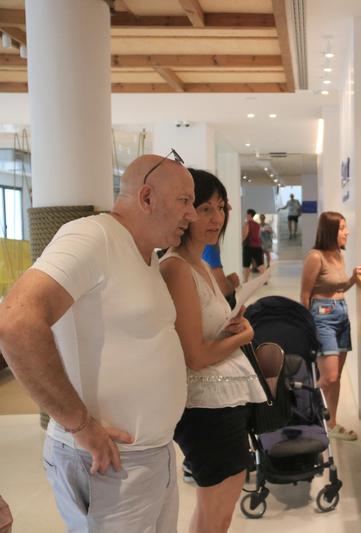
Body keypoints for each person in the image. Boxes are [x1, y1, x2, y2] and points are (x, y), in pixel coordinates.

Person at [0, 153, 196, 531]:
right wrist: (79, 424)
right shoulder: (92, 236)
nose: (191, 215)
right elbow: (16, 321)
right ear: (147, 198)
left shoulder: (146, 256)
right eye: (184, 201)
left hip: (150, 457)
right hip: (109, 462)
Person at [160, 169, 266, 532]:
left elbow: (207, 333)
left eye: (220, 207)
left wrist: (234, 325)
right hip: (205, 409)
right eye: (204, 208)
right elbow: (196, 355)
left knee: (218, 509)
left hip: (225, 401)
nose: (216, 218)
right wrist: (244, 335)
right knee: (216, 508)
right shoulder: (175, 268)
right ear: (185, 212)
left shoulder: (201, 265)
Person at [300, 211, 361, 440]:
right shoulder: (315, 257)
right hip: (322, 317)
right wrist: (307, 328)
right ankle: (299, 411)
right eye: (342, 228)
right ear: (330, 231)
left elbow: (339, 288)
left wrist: (353, 279)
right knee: (328, 376)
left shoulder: (338, 255)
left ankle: (332, 422)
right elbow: (305, 295)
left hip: (341, 315)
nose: (346, 232)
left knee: (336, 378)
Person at [241, 208, 264, 281]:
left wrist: (241, 241)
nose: (246, 215)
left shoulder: (247, 224)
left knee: (246, 265)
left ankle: (245, 280)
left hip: (248, 246)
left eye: (247, 214)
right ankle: (264, 279)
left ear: (249, 215)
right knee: (260, 264)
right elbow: (258, 235)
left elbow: (244, 235)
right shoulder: (257, 225)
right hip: (258, 246)